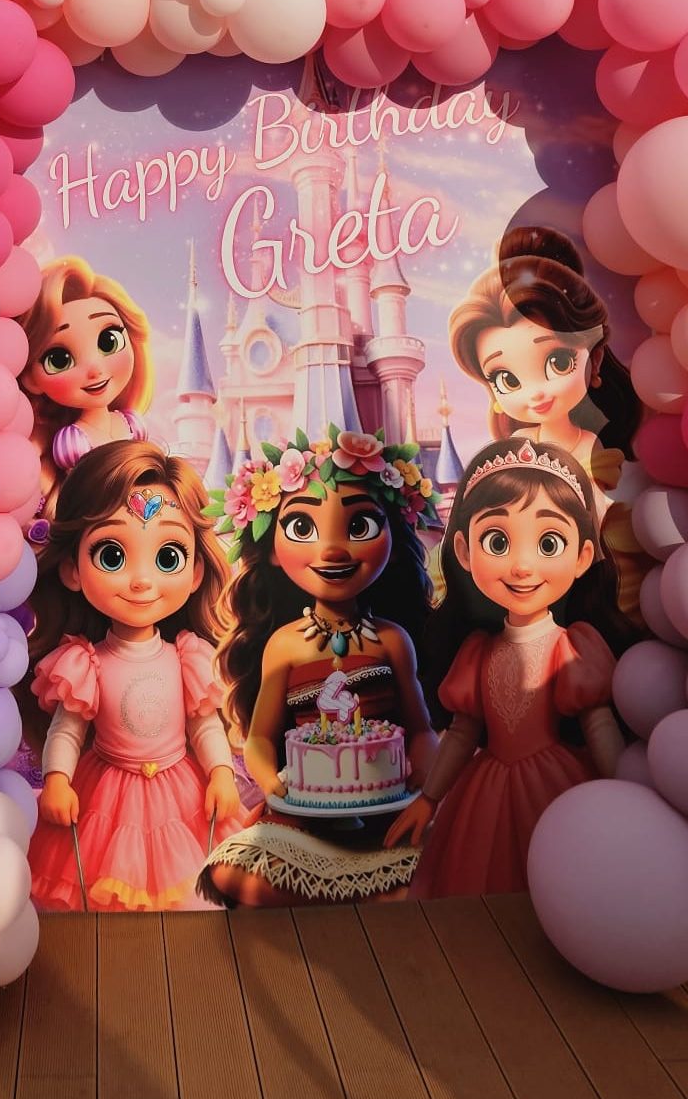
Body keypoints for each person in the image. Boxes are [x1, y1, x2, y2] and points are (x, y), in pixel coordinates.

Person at [199, 425, 441, 906]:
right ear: (271, 548)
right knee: (234, 873)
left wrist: (420, 786)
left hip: (385, 807)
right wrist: (276, 787)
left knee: (435, 866)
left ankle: (360, 893)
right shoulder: (285, 645)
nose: (332, 550)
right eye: (302, 529)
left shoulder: (392, 640)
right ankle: (353, 896)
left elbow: (420, 729)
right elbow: (261, 739)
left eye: (360, 526)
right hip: (302, 812)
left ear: (393, 538)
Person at [385, 438, 626, 897]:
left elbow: (598, 726)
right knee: (481, 878)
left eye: (549, 543)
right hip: (485, 792)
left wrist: (626, 793)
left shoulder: (572, 646)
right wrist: (429, 799)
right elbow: (462, 733)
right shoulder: (478, 651)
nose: (522, 566)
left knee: (564, 881)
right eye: (497, 542)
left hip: (558, 788)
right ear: (463, 551)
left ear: (582, 557)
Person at [24, 440, 244, 911]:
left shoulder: (187, 657)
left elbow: (203, 724)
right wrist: (58, 778)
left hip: (180, 791)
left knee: (188, 892)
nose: (142, 581)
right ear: (73, 570)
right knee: (107, 888)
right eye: (111, 555)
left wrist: (221, 773)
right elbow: (68, 729)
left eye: (168, 557)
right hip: (107, 792)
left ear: (194, 572)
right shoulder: (85, 663)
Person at [449, 223, 645, 611]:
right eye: (506, 379)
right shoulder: (507, 459)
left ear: (595, 359)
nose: (535, 392)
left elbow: (616, 569)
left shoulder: (601, 462)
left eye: (557, 362)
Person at [19, 256, 154, 538]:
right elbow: (84, 500)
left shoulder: (131, 423)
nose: (94, 369)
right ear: (32, 379)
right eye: (59, 358)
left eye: (109, 341)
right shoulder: (74, 441)